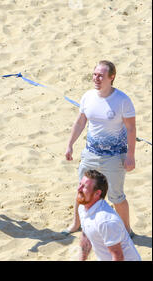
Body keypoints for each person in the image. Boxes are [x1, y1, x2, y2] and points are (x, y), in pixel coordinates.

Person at [64, 60, 136, 237]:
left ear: (111, 77)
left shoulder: (122, 101)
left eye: (101, 76)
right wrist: (70, 144)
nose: (96, 78)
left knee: (117, 197)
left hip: (114, 157)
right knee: (82, 190)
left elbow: (131, 128)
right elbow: (81, 121)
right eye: (94, 74)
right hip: (90, 154)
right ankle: (76, 224)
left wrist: (130, 156)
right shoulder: (88, 96)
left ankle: (127, 230)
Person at [76, 170, 140, 261]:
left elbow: (118, 256)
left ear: (97, 193)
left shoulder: (106, 221)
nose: (79, 189)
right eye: (80, 184)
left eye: (84, 187)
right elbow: (86, 237)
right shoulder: (83, 208)